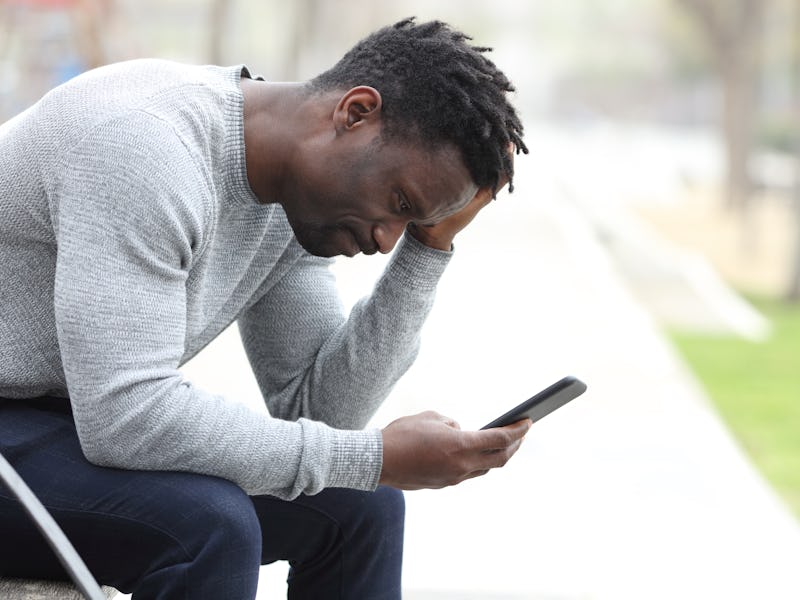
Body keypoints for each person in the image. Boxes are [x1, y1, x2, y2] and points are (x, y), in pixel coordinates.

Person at [0, 17, 529, 599]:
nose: (385, 240)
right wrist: (374, 455)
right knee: (208, 523)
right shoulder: (144, 145)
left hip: (59, 421)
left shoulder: (290, 197)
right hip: (35, 420)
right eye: (398, 203)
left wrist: (427, 250)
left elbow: (320, 410)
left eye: (410, 222)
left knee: (363, 508)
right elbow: (127, 415)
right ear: (354, 114)